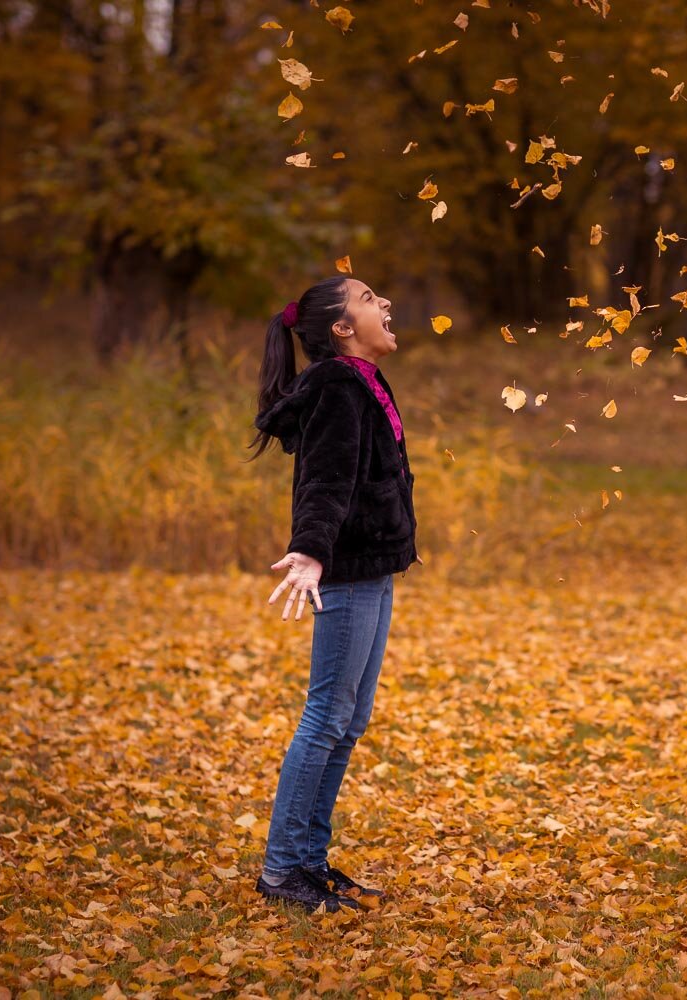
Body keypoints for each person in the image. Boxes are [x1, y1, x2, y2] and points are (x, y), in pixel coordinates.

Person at [247, 275, 416, 911]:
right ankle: (282, 870)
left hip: (372, 566)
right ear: (342, 328)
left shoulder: (364, 379)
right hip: (342, 571)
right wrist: (313, 552)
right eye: (371, 298)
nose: (386, 303)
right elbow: (325, 475)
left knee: (349, 720)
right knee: (325, 718)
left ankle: (309, 863)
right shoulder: (338, 385)